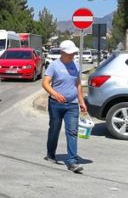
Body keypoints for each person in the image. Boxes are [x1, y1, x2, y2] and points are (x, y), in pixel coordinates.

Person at [42, 40, 87, 173]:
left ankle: (72, 161)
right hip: (55, 104)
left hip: (72, 105)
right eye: (70, 53)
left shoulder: (76, 66)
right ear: (62, 52)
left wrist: (81, 101)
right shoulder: (54, 66)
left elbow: (78, 84)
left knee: (72, 132)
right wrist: (55, 94)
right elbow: (45, 83)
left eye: (73, 53)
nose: (72, 55)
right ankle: (50, 154)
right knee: (54, 130)